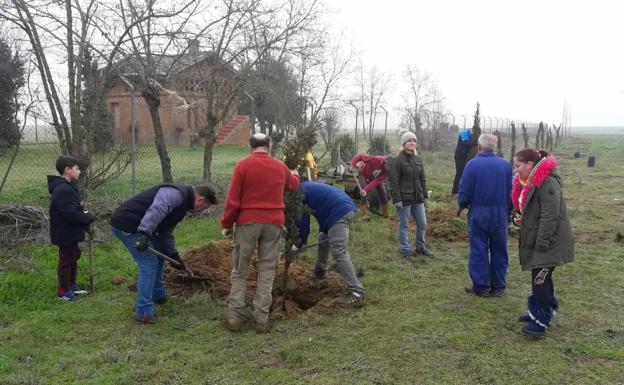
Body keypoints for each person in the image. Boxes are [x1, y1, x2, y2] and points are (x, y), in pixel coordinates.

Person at [221, 133, 300, 333]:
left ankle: (234, 317)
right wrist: (295, 173)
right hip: (274, 223)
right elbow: (292, 184)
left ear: (251, 146)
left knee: (240, 270)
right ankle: (261, 319)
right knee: (267, 271)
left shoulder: (242, 166)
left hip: (247, 223)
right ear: (269, 146)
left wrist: (227, 224)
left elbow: (233, 199)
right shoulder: (279, 166)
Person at [110, 184, 216, 324]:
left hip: (141, 227)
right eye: (204, 208)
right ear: (200, 200)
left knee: (159, 256)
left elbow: (166, 231)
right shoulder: (174, 194)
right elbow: (156, 210)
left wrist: (173, 255)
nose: (202, 212)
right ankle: (144, 312)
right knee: (149, 263)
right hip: (128, 224)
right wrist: (144, 234)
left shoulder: (182, 207)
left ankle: (158, 295)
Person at [512, 148, 574, 337]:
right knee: (543, 279)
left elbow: (550, 217)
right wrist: (523, 220)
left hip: (549, 244)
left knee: (540, 280)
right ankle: (540, 312)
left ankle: (540, 321)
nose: (516, 170)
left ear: (530, 164)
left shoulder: (547, 182)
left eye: (518, 165)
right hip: (543, 241)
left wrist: (541, 244)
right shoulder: (535, 180)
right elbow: (537, 211)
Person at [457, 134, 513, 297]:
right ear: (494, 147)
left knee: (478, 250)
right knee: (499, 251)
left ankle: (481, 287)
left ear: (479, 147)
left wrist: (462, 205)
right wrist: (509, 211)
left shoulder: (471, 165)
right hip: (500, 214)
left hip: (479, 214)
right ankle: (498, 286)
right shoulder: (505, 165)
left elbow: (464, 191)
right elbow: (511, 191)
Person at [295, 181, 365, 304]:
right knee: (323, 239)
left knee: (339, 252)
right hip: (340, 208)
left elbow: (303, 224)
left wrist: (299, 244)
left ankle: (357, 291)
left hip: (339, 212)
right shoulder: (303, 187)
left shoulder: (298, 194)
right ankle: (320, 272)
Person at [48, 156, 96, 302]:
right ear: (67, 170)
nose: (79, 171)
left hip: (71, 232)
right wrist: (87, 218)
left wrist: (83, 213)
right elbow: (71, 214)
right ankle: (63, 291)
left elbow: (75, 208)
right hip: (65, 232)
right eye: (76, 168)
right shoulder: (63, 190)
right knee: (66, 260)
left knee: (73, 256)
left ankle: (71, 285)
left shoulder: (69, 187)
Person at [388, 131, 431, 258]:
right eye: (409, 141)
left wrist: (425, 197)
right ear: (404, 143)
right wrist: (397, 200)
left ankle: (420, 247)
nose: (412, 143)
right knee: (404, 225)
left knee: (422, 224)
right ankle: (405, 250)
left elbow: (422, 179)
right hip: (404, 199)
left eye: (414, 141)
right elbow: (394, 182)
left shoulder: (418, 160)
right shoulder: (397, 161)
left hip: (418, 198)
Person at [349, 153, 391, 219]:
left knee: (384, 193)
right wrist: (352, 165)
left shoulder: (389, 171)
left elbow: (377, 181)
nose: (390, 169)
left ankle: (385, 214)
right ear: (385, 162)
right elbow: (360, 156)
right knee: (364, 193)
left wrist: (367, 189)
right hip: (363, 173)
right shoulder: (376, 159)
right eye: (389, 166)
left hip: (374, 178)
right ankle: (363, 215)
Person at [452, 128, 478, 195]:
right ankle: (455, 190)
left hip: (464, 157)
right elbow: (466, 143)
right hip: (459, 157)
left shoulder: (468, 134)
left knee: (463, 174)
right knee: (459, 173)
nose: (472, 134)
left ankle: (461, 189)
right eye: (472, 132)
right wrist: (476, 142)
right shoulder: (463, 133)